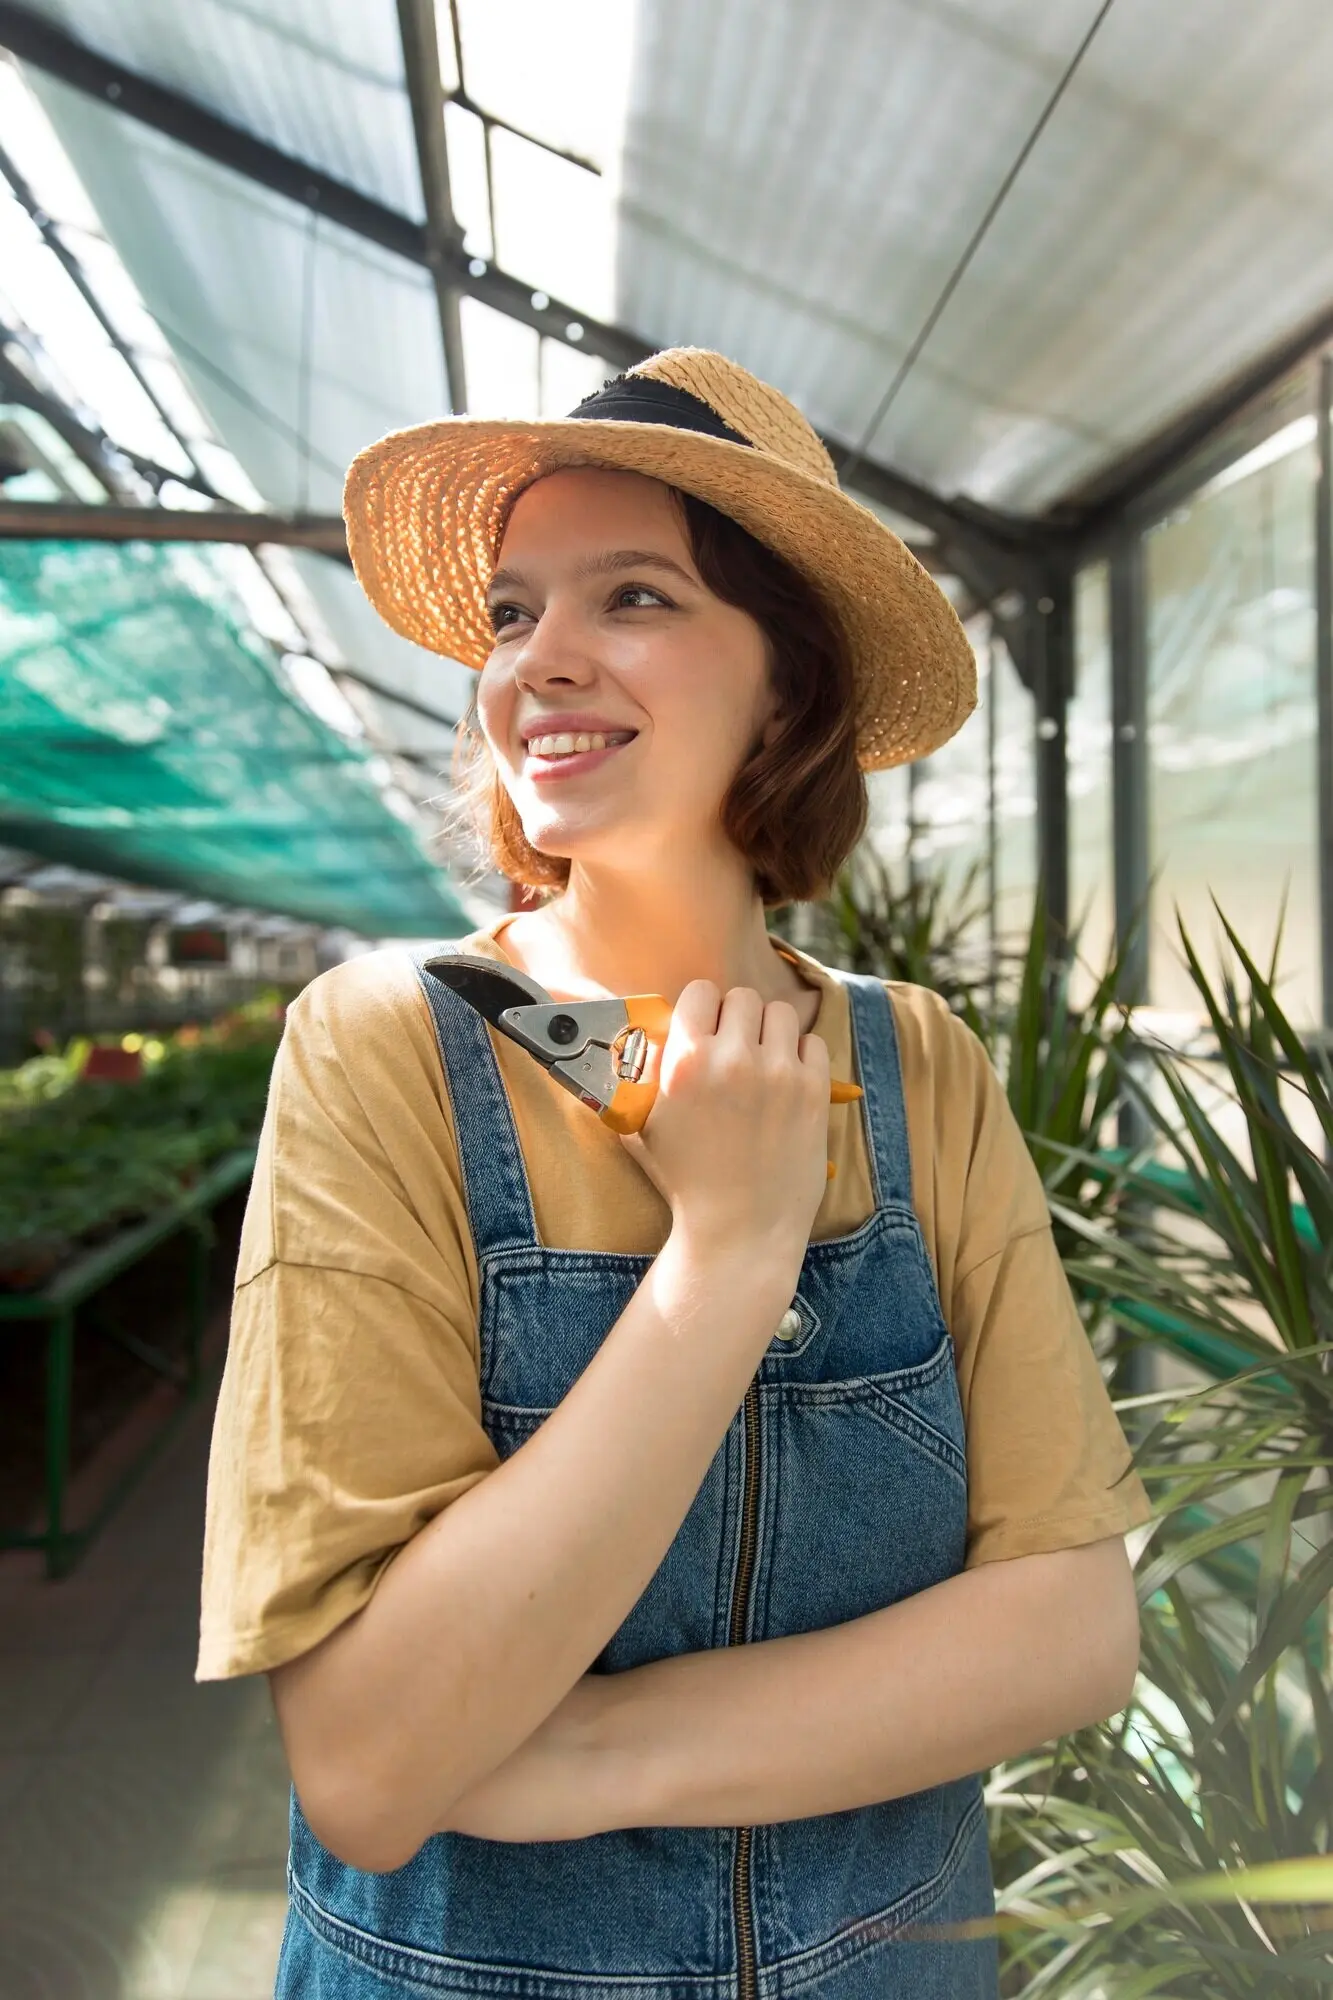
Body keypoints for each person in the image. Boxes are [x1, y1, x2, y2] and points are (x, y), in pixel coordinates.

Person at [197, 348, 1152, 1997]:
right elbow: (369, 1761)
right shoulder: (387, 1047)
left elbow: (1071, 1631)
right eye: (509, 614)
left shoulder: (916, 1064)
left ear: (789, 687)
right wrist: (724, 1257)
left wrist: (584, 1756)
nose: (535, 665)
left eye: (632, 597)